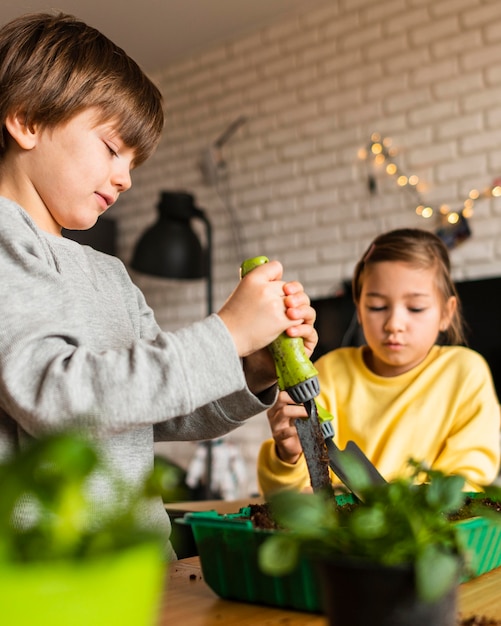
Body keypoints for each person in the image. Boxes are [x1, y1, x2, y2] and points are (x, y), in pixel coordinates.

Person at [0, 12, 317, 560]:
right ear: (26, 120)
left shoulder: (110, 276)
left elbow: (159, 406)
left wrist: (251, 364)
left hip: (141, 564)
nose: (126, 177)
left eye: (133, 162)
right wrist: (226, 332)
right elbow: (57, 398)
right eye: (111, 148)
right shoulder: (9, 243)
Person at [257, 228, 501, 496]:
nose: (394, 324)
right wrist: (287, 455)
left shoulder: (464, 374)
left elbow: (466, 484)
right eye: (376, 307)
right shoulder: (329, 372)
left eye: (416, 308)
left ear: (446, 312)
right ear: (359, 309)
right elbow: (286, 498)